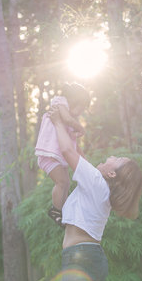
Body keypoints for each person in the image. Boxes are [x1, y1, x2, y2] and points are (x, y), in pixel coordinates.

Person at [47, 106, 142, 281]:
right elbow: (75, 151)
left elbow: (68, 152)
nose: (111, 156)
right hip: (94, 258)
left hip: (79, 261)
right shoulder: (101, 191)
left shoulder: (96, 181)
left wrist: (57, 122)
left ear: (111, 172)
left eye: (116, 159)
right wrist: (72, 129)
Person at [35, 83, 91, 227]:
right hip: (48, 154)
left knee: (65, 183)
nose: (81, 112)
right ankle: (56, 211)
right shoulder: (60, 102)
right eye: (82, 108)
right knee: (62, 182)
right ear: (75, 100)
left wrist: (87, 165)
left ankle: (64, 211)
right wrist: (81, 128)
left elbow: (75, 146)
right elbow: (67, 119)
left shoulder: (68, 119)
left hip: (57, 156)